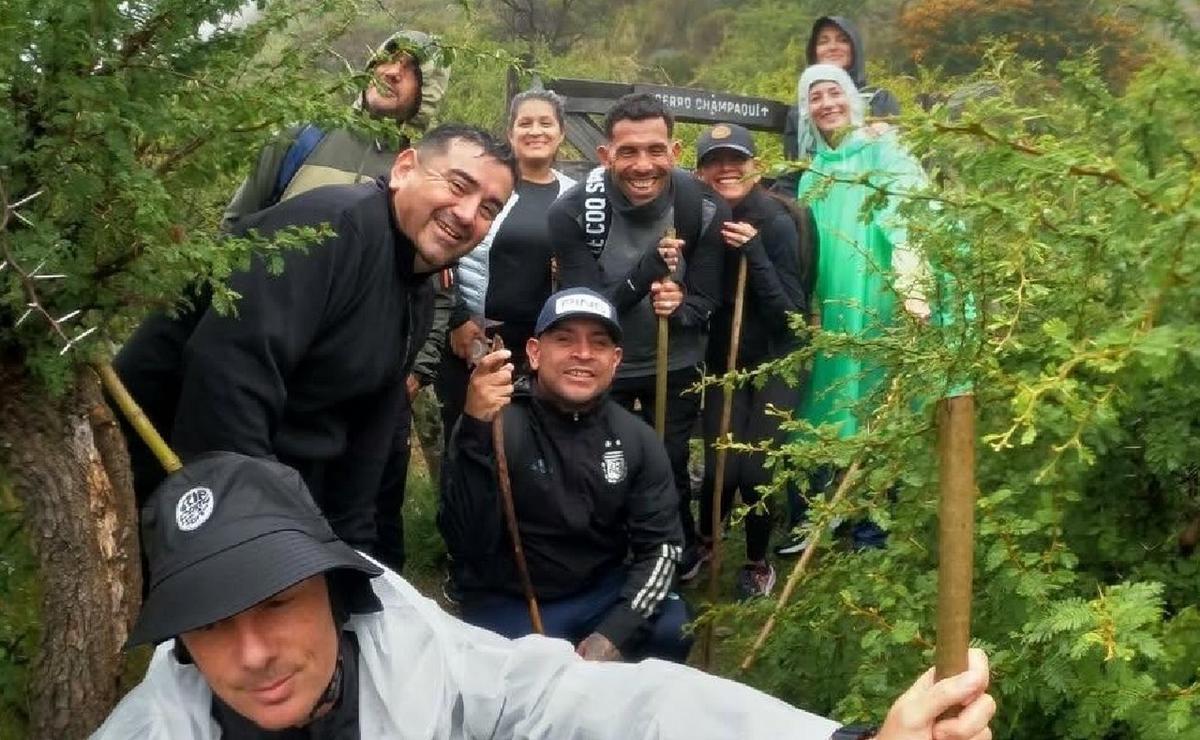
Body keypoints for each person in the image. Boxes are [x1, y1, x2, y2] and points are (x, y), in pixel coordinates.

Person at [92, 451, 997, 739]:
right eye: (210, 626)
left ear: (336, 592)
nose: (250, 655)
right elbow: (475, 541)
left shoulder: (436, 671)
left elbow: (622, 705)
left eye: (275, 605)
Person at [114, 125, 516, 562]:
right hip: (172, 481)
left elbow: (370, 433)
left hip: (288, 485)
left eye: (489, 209)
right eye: (458, 186)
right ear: (404, 168)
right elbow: (227, 384)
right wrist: (262, 542)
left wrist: (352, 553)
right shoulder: (326, 229)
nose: (467, 213)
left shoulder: (416, 289)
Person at [218, 29, 453, 572]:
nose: (391, 72)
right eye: (385, 58)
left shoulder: (430, 172)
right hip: (272, 362)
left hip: (368, 381)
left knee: (363, 514)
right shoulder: (301, 136)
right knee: (258, 493)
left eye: (411, 68)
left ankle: (355, 615)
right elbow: (233, 235)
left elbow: (438, 288)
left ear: (430, 88)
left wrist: (413, 370)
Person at [440, 288, 689, 662]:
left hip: (598, 593)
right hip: (512, 598)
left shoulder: (636, 438)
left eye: (599, 343)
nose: (583, 354)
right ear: (535, 353)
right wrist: (475, 432)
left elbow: (663, 547)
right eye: (564, 339)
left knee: (674, 628)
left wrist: (614, 634)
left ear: (615, 359)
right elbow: (464, 542)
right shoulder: (495, 423)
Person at [549, 93, 728, 571]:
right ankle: (604, 555)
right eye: (627, 152)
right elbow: (589, 310)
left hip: (676, 360)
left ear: (675, 150)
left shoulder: (703, 207)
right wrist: (644, 274)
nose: (642, 165)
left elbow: (708, 298)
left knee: (666, 461)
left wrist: (683, 306)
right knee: (601, 460)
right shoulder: (573, 213)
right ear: (606, 155)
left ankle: (677, 554)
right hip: (605, 361)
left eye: (655, 150)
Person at [782, 64, 935, 553]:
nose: (826, 104)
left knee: (873, 405)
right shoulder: (813, 172)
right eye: (815, 97)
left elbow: (911, 219)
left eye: (834, 93)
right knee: (824, 403)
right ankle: (814, 518)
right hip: (828, 308)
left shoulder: (882, 152)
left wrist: (913, 286)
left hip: (877, 299)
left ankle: (871, 525)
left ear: (852, 97)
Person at [691, 123, 817, 596]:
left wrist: (754, 252)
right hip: (724, 361)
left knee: (756, 471)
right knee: (720, 467)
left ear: (755, 166)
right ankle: (706, 542)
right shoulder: (700, 217)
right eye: (714, 162)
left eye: (736, 160)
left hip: (777, 359)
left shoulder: (778, 221)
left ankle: (757, 561)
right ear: (700, 172)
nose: (726, 169)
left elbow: (790, 316)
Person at [436, 90, 577, 449]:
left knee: (531, 446)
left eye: (546, 123)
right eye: (525, 122)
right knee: (469, 441)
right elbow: (443, 250)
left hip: (541, 348)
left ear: (561, 133)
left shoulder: (577, 196)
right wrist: (457, 318)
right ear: (510, 131)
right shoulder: (485, 185)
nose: (535, 131)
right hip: (475, 340)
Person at [775, 16, 901, 196]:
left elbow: (894, 157)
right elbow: (792, 172)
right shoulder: (801, 113)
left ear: (854, 47)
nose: (833, 47)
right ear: (813, 51)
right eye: (823, 41)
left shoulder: (878, 98)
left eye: (842, 40)